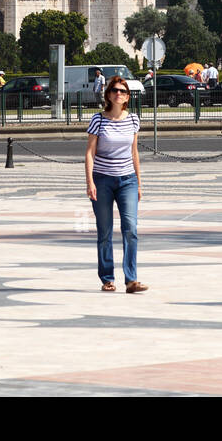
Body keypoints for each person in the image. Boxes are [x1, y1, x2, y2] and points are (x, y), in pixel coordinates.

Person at [85, 75, 145, 293]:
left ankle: (131, 280)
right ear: (108, 94)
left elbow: (134, 152)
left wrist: (138, 182)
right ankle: (107, 278)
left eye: (123, 91)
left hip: (127, 179)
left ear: (128, 97)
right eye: (115, 90)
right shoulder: (98, 120)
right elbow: (90, 152)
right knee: (105, 231)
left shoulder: (134, 120)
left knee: (130, 228)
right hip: (102, 180)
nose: (118, 94)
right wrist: (89, 181)